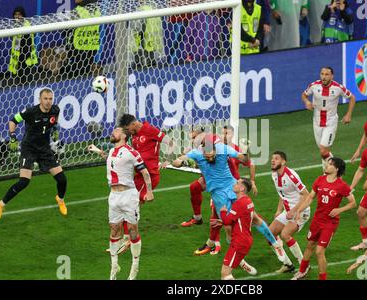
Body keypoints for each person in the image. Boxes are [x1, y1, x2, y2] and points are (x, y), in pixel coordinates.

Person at [172, 134, 289, 266]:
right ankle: (240, 260)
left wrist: (244, 154)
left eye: (211, 156)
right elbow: (177, 161)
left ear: (216, 149)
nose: (209, 158)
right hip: (217, 193)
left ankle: (275, 243)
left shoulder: (223, 148)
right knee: (228, 227)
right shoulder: (197, 153)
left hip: (232, 187)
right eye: (207, 157)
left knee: (253, 216)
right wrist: (180, 162)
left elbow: (243, 159)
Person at [0, 88, 67, 221]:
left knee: (62, 179)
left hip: (44, 150)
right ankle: (1, 204)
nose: (48, 101)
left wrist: (55, 132)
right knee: (24, 181)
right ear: (40, 99)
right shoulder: (31, 112)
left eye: (50, 99)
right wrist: (12, 137)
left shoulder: (55, 110)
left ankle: (60, 199)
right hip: (29, 149)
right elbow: (13, 121)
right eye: (45, 98)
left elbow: (53, 122)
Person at [183, 125, 258, 256]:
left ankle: (215, 244)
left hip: (232, 184)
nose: (224, 136)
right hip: (214, 183)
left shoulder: (231, 148)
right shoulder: (208, 145)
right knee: (201, 195)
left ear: (232, 135)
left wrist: (252, 181)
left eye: (227, 134)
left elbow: (249, 163)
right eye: (222, 134)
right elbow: (203, 159)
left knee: (225, 217)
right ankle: (210, 238)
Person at [115, 113, 174, 253]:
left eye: (129, 129)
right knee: (127, 203)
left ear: (134, 124)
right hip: (138, 175)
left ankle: (128, 238)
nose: (128, 132)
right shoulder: (134, 136)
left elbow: (170, 142)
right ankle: (127, 237)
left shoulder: (150, 130)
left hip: (150, 175)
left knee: (130, 204)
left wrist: (168, 159)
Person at [290, 157, 356, 280]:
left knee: (319, 251)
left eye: (330, 164)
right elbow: (310, 197)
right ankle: (302, 272)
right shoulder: (320, 180)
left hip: (330, 223)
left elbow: (353, 203)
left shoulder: (342, 186)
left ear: (336, 169)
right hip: (317, 220)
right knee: (310, 245)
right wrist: (299, 210)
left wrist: (339, 210)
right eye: (327, 163)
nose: (326, 165)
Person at [104, 127, 154, 280]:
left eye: (116, 131)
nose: (113, 132)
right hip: (113, 196)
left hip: (128, 196)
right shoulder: (112, 151)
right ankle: (114, 267)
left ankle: (135, 267)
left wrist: (149, 191)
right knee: (114, 231)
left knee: (132, 231)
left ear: (124, 135)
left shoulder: (131, 152)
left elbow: (144, 172)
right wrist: (98, 151)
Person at [302, 66, 356, 169]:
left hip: (330, 122)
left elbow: (352, 97)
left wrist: (348, 114)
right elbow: (304, 95)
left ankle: (331, 171)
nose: (324, 77)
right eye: (322, 74)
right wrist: (307, 101)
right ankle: (333, 169)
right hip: (317, 122)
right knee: (324, 152)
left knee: (323, 150)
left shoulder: (338, 88)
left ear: (332, 76)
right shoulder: (314, 86)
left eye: (327, 74)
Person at [268, 151, 310, 273]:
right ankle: (287, 264)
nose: (273, 160)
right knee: (269, 234)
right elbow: (283, 195)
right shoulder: (274, 175)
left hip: (301, 210)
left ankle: (304, 266)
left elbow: (306, 195)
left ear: (283, 161)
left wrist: (294, 210)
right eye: (272, 158)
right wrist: (278, 210)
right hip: (288, 211)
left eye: (276, 158)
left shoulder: (291, 175)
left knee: (285, 234)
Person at [220, 178, 257, 280]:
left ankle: (242, 263)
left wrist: (223, 212)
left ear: (242, 188)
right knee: (226, 271)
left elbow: (227, 221)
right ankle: (243, 264)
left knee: (225, 273)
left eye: (237, 183)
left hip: (239, 242)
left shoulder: (239, 203)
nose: (234, 184)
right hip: (244, 239)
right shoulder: (248, 200)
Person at [63, 0, 101, 77]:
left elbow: (65, 31)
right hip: (92, 48)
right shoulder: (97, 11)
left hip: (76, 51)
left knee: (74, 76)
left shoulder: (77, 11)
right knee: (85, 74)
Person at [8, 6, 38, 81]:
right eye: (16, 14)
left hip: (26, 53)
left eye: (19, 14)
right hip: (18, 53)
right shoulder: (15, 25)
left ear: (23, 15)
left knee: (27, 74)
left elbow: (29, 40)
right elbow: (16, 41)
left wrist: (25, 54)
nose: (17, 16)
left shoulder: (26, 25)